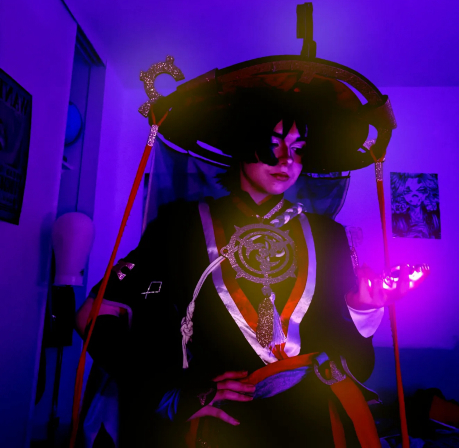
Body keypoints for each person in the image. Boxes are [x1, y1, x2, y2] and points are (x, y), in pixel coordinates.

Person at [76, 87, 424, 447]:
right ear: (242, 142)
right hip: (226, 427)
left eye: (299, 149)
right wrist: (171, 395)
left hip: (316, 424)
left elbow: (358, 365)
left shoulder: (328, 235)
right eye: (273, 144)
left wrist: (363, 309)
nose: (287, 160)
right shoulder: (181, 227)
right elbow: (93, 314)